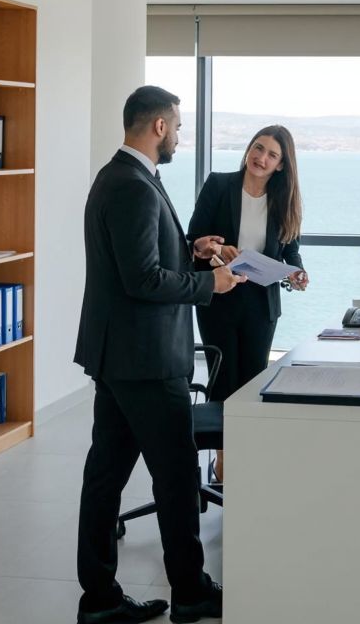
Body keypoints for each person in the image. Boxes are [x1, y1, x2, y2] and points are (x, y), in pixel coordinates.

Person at [74, 85, 242, 624]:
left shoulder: (119, 177)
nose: (179, 136)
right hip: (145, 360)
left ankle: (100, 599)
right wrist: (209, 282)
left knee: (105, 478)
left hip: (121, 356)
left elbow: (140, 261)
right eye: (178, 125)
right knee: (173, 480)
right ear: (160, 127)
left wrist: (189, 250)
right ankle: (191, 594)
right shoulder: (134, 187)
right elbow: (141, 279)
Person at [188, 124, 307, 482]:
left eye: (271, 154)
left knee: (253, 383)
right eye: (258, 148)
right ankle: (224, 464)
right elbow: (194, 238)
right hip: (220, 298)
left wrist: (296, 272)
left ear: (281, 165)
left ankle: (249, 462)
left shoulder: (284, 201)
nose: (261, 158)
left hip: (261, 305)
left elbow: (291, 251)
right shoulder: (219, 184)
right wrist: (214, 247)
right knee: (224, 383)